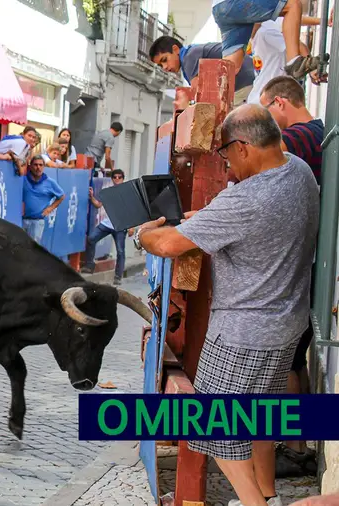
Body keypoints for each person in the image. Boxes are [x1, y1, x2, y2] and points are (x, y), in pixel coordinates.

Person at [135, 104, 319, 506]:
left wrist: (142, 235)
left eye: (225, 154)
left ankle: (254, 504)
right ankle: (266, 496)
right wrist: (209, 218)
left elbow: (167, 245)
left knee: (214, 427)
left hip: (243, 330)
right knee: (258, 420)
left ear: (243, 146)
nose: (226, 163)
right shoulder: (299, 170)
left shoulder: (249, 198)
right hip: (287, 321)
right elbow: (256, 224)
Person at [259, 75, 323, 475]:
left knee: (288, 362)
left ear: (281, 103)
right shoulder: (320, 134)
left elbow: (266, 161)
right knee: (295, 360)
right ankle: (299, 444)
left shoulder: (299, 138)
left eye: (266, 111)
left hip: (305, 263)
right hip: (314, 261)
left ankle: (296, 449)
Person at [212, 0, 322, 81]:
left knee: (232, 66)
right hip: (234, 4)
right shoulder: (266, 30)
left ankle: (212, 94)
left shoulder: (263, 25)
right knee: (293, 5)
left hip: (219, 8)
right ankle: (294, 62)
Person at [149, 36, 257, 106]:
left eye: (164, 60)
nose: (164, 67)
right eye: (160, 65)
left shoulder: (188, 57)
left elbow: (199, 96)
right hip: (250, 78)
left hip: (243, 85)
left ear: (175, 49)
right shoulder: (191, 53)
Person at [248, 18, 327, 106]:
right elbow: (295, 20)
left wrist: (312, 69)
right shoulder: (256, 34)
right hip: (261, 97)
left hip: (271, 99)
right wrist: (324, 20)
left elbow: (298, 46)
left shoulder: (265, 33)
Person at [81, 169, 132, 286]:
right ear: (112, 179)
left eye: (120, 177)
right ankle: (89, 266)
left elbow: (131, 210)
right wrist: (92, 197)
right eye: (115, 177)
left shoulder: (127, 193)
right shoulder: (108, 192)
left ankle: (118, 277)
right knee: (91, 239)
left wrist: (130, 226)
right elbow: (98, 205)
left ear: (123, 179)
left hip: (120, 226)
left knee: (120, 251)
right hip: (107, 223)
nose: (117, 179)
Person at [22, 156, 64, 246]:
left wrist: (50, 208)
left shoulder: (50, 182)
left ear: (44, 166)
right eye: (35, 165)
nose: (38, 167)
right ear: (30, 166)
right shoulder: (23, 179)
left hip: (37, 221)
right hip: (21, 220)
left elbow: (61, 196)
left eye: (41, 165)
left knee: (33, 249)